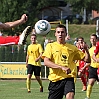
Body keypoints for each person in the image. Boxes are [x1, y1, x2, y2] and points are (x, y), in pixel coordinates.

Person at [42, 24, 91, 99]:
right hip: (55, 80)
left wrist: (86, 50)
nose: (60, 34)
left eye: (62, 32)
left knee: (70, 96)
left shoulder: (72, 48)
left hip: (68, 78)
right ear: (55, 34)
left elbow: (87, 60)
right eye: (58, 32)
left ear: (66, 34)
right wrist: (61, 67)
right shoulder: (50, 46)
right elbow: (46, 62)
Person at [85, 34, 99, 99]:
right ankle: (88, 97)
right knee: (90, 82)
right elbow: (88, 61)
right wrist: (83, 68)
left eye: (94, 39)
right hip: (92, 68)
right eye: (91, 38)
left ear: (96, 39)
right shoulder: (90, 50)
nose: (92, 40)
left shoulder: (98, 47)